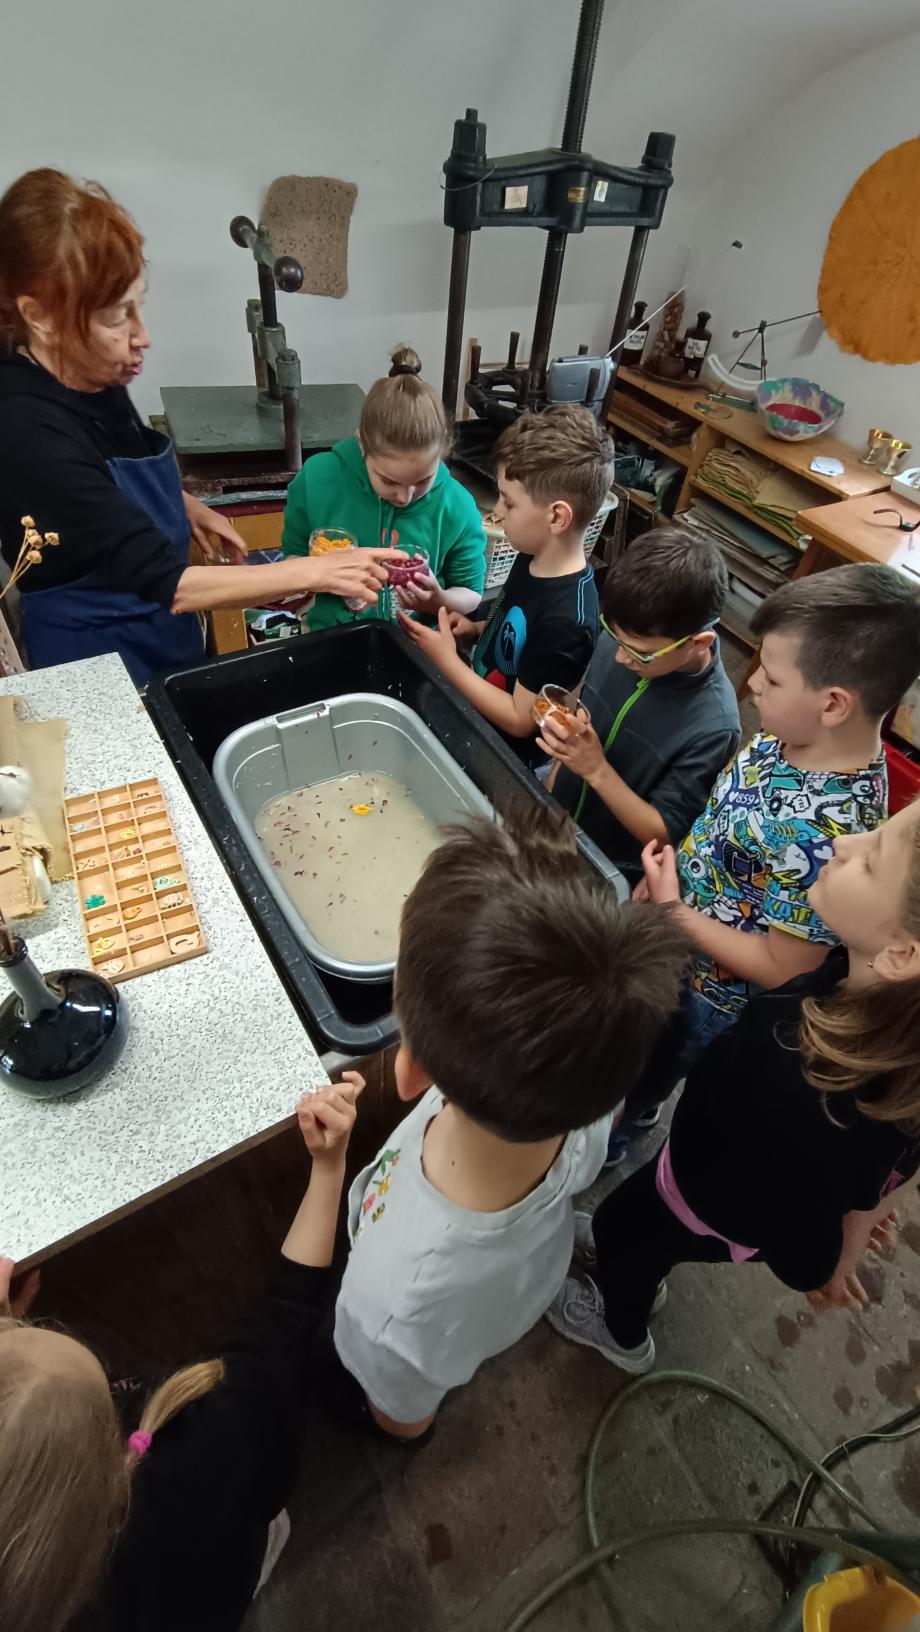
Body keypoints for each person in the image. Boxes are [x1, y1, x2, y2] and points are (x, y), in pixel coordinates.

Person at [332, 804, 689, 1439]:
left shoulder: (393, 1302)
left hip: (444, 1319)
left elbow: (402, 1398)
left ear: (410, 1071)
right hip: (522, 1278)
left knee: (394, 1410)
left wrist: (395, 1419)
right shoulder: (582, 1109)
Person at [547, 799, 920, 1373]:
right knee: (644, 1235)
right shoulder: (864, 992)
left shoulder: (803, 1083)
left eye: (870, 861)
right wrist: (862, 1215)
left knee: (629, 1229)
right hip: (712, 1179)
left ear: (901, 953)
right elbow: (889, 1172)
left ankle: (620, 1331)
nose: (843, 843)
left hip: (707, 1194)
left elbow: (804, 1249)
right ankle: (639, 1263)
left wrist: (830, 1263)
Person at [0, 170, 403, 686]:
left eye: (138, 306)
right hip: (94, 656)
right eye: (117, 317)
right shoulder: (24, 429)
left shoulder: (86, 368)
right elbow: (173, 585)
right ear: (39, 317)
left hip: (158, 628)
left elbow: (102, 476)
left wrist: (179, 503)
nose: (142, 336)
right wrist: (318, 570)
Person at [0, 1076, 363, 1632]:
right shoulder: (208, 1448)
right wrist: (330, 1166)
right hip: (217, 1556)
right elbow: (286, 1315)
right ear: (116, 1463)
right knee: (248, 1538)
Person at [608, 562, 920, 1165]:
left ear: (833, 704)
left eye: (772, 679)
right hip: (675, 929)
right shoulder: (789, 734)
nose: (750, 684)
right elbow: (729, 816)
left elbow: (784, 966)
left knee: (646, 1072)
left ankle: (624, 1132)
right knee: (629, 1045)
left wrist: (676, 911)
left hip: (704, 997)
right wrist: (678, 875)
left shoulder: (827, 831)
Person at [399, 405, 610, 762]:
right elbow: (517, 625)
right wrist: (476, 629)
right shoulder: (533, 553)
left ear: (556, 517)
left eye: (509, 503)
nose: (497, 510)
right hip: (477, 708)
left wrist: (447, 661)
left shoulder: (567, 622)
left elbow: (520, 719)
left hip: (503, 753)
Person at [544, 527, 740, 883]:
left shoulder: (714, 725)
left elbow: (664, 833)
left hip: (608, 865)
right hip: (555, 820)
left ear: (698, 643)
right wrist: (557, 775)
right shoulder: (626, 638)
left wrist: (596, 770)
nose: (620, 657)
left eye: (640, 653)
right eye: (614, 636)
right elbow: (583, 707)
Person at [281, 345, 486, 630]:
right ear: (362, 443)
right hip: (333, 634)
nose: (404, 497)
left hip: (415, 641)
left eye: (422, 481)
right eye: (389, 481)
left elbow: (471, 593)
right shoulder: (316, 480)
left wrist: (437, 599)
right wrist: (320, 573)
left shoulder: (457, 506)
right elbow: (292, 559)